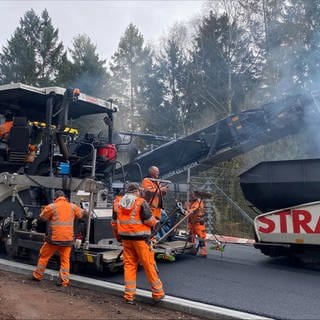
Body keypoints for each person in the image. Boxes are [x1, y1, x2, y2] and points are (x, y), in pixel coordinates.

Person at [111, 182, 165, 304]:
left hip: (126, 240)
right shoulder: (140, 202)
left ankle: (129, 295)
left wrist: (118, 237)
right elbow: (149, 220)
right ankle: (157, 293)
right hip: (141, 240)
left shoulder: (117, 203)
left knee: (129, 266)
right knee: (148, 265)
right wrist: (156, 223)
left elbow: (114, 223)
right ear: (136, 191)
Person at [32, 190, 87, 287]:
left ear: (55, 198)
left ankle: (38, 276)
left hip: (54, 239)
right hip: (67, 240)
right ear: (65, 198)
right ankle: (64, 281)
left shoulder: (51, 207)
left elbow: (42, 217)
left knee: (44, 257)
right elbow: (82, 214)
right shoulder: (72, 206)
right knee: (65, 260)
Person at [186, 190, 208, 257]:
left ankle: (203, 252)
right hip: (191, 223)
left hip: (198, 223)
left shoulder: (198, 202)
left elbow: (193, 209)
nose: (191, 196)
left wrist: (188, 211)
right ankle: (192, 250)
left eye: (192, 195)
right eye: (190, 195)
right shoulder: (191, 202)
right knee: (190, 236)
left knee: (201, 237)